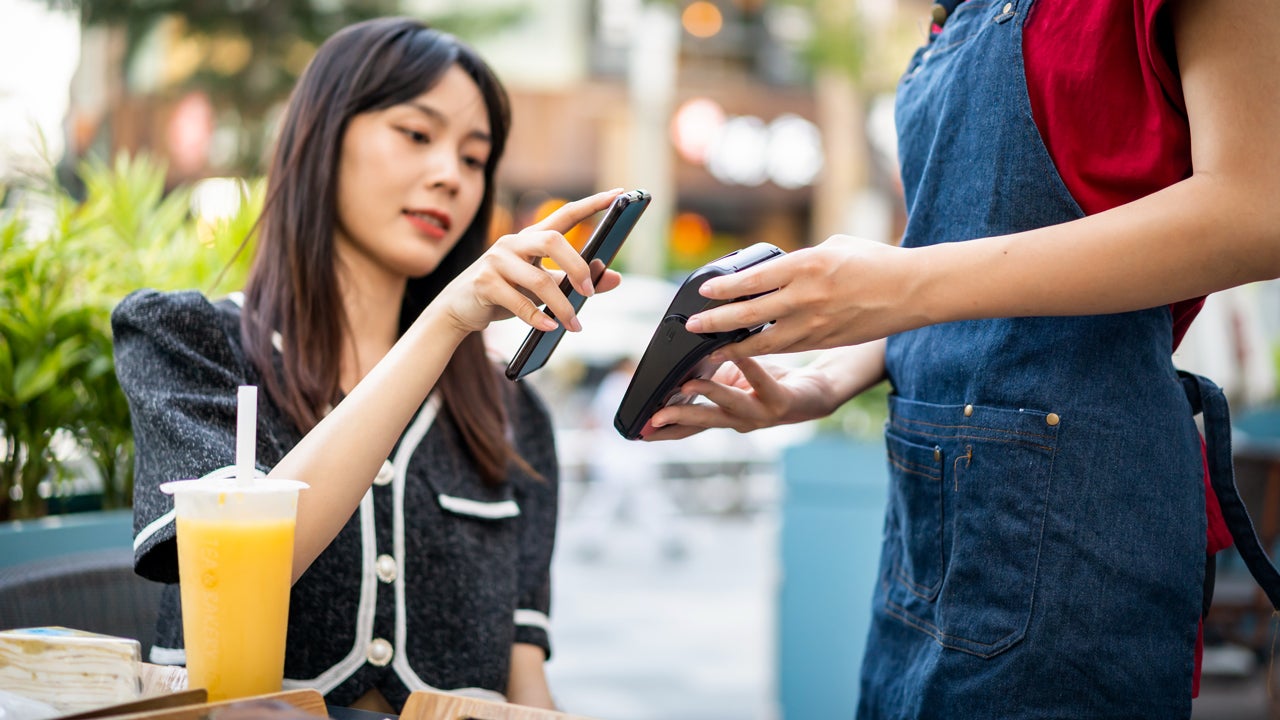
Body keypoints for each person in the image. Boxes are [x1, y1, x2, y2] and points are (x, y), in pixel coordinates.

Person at [646, 0, 1280, 717]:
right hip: (926, 528)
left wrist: (898, 283)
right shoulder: (956, 13)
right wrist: (826, 378)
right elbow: (968, 264)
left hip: (1078, 526)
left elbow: (1259, 208)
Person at [113, 18, 624, 713]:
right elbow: (233, 576)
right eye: (416, 135)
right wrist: (446, 319)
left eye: (474, 160)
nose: (449, 176)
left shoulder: (510, 415)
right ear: (324, 137)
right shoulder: (187, 340)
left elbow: (524, 686)